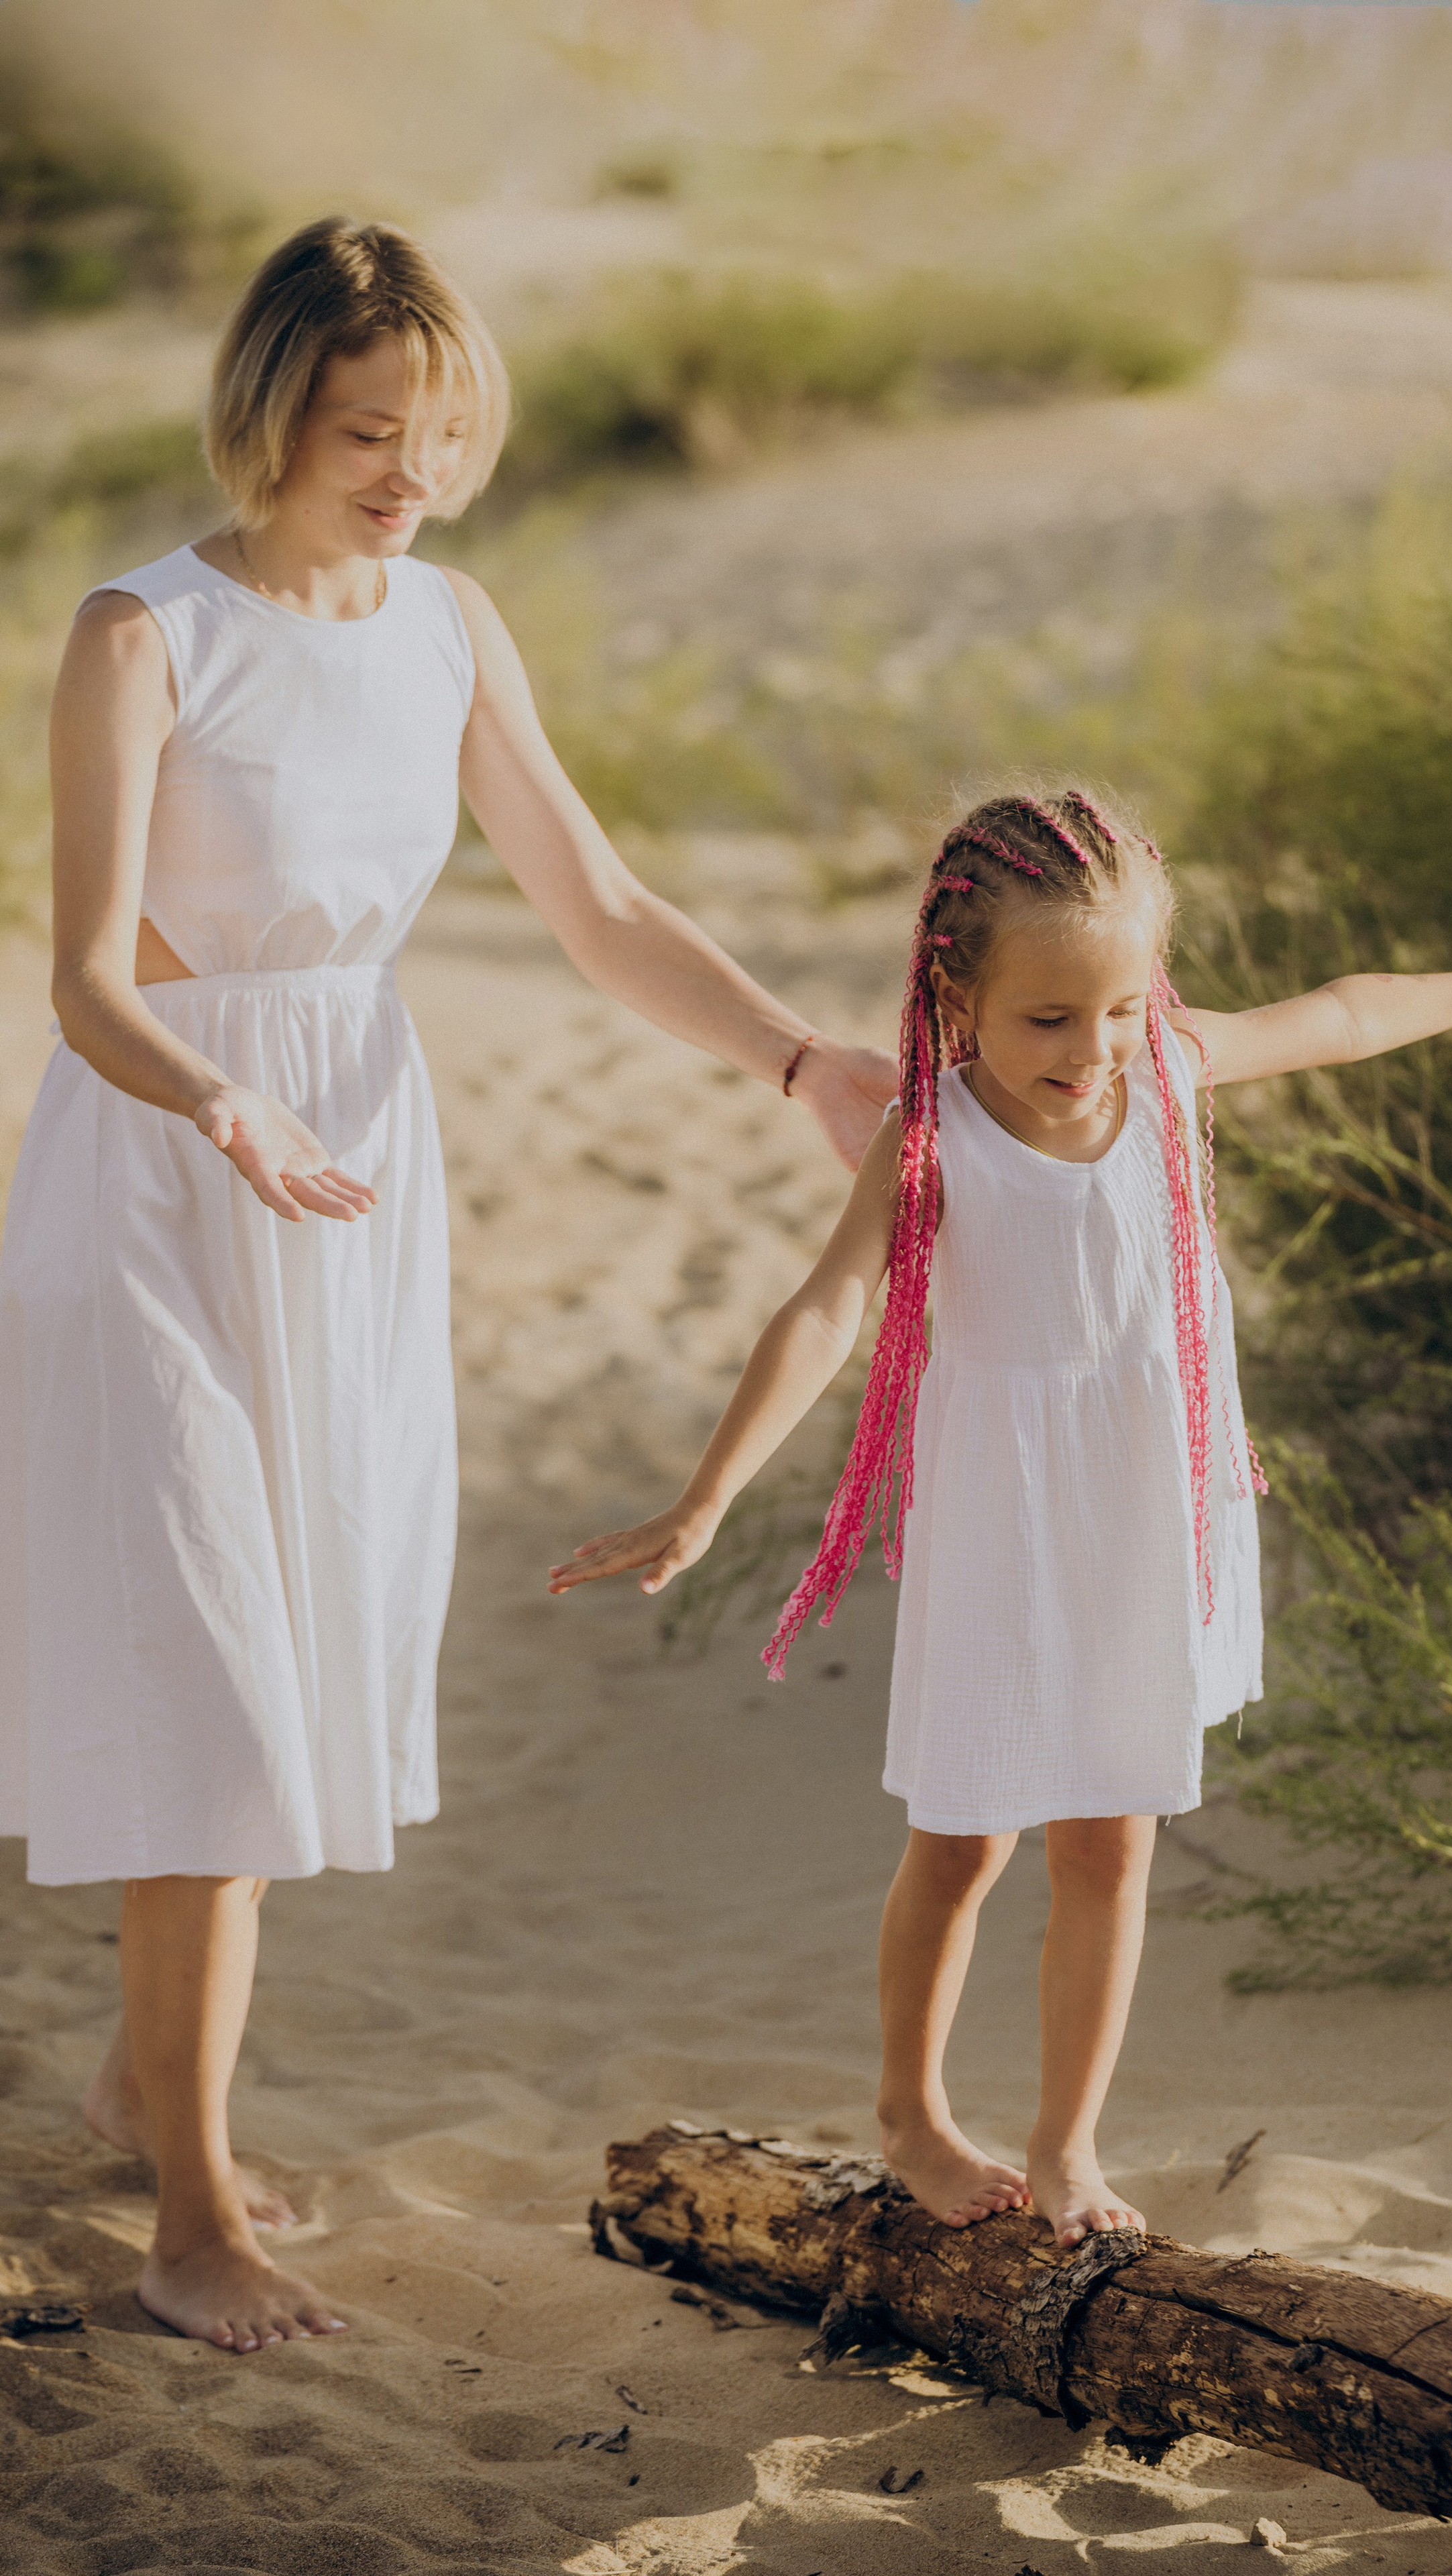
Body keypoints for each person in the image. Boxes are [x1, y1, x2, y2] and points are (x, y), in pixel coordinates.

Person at [0, 217, 893, 2355]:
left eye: (442, 431)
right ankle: (194, 2219)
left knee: (293, 1638)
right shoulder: (148, 635)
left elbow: (596, 903)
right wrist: (224, 1109)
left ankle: (143, 2079)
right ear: (273, 412)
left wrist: (796, 1056)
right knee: (209, 1670)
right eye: (366, 428)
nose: (407, 470)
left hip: (354, 1175)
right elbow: (90, 980)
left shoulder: (450, 628)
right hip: (163, 1170)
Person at [551, 786, 1452, 2247]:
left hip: (1143, 1512)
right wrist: (705, 1495)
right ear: (955, 995)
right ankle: (912, 2113)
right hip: (1005, 1527)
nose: (1088, 1051)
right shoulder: (931, 1142)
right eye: (1046, 1020)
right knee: (964, 1841)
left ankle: (1066, 2148)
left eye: (1114, 1009)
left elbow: (1344, 1015)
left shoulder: (1163, 1066)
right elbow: (824, 1308)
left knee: (1111, 1841)